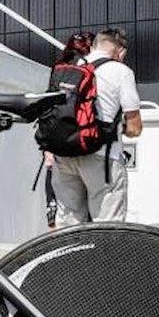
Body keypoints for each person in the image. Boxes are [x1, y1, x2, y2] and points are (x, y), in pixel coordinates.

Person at [49, 27, 141, 226]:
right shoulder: (121, 71)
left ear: (94, 45)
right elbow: (135, 127)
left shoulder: (71, 67)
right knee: (106, 224)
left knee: (68, 220)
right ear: (121, 52)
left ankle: (67, 256)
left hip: (64, 154)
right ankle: (102, 257)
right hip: (102, 156)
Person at [43, 32, 94, 229]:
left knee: (59, 213)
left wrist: (47, 151)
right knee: (88, 212)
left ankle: (60, 252)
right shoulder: (89, 69)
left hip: (56, 148)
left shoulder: (58, 69)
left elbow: (48, 108)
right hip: (84, 146)